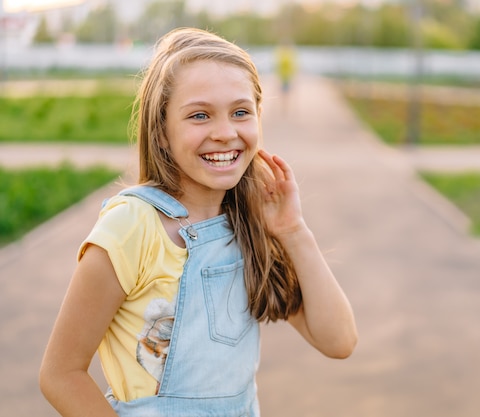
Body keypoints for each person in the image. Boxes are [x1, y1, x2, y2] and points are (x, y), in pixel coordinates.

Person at [39, 27, 357, 417]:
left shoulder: (249, 226)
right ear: (161, 132)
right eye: (200, 115)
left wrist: (294, 231)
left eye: (240, 112)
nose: (225, 133)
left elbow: (339, 340)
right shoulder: (132, 227)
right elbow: (60, 374)